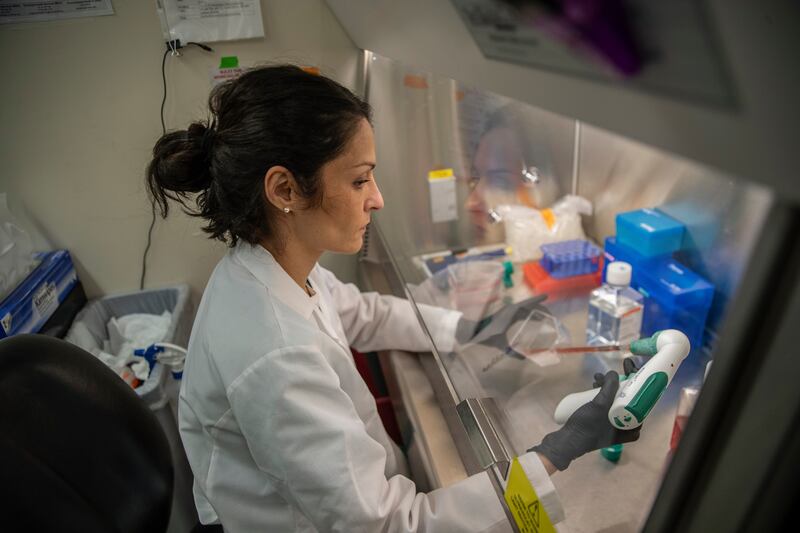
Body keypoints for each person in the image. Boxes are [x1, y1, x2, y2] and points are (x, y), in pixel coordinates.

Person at [146, 64, 637, 532]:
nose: (377, 198)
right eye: (360, 179)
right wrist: (557, 452)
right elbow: (388, 526)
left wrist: (467, 331)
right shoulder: (275, 356)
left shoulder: (264, 267)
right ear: (285, 189)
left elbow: (362, 312)